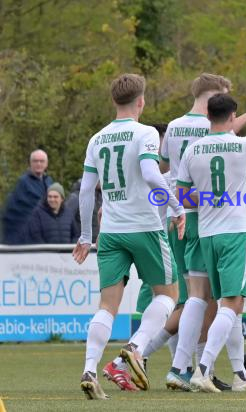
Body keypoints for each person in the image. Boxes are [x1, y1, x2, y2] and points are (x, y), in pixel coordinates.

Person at [73, 73, 186, 400]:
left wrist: (85, 236)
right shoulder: (146, 132)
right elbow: (152, 174)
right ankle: (134, 349)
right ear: (141, 101)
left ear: (113, 101)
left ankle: (90, 369)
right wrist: (177, 208)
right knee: (168, 294)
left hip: (110, 232)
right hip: (145, 228)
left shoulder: (97, 139)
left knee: (107, 306)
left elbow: (85, 191)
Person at [176, 94, 246, 393]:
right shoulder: (243, 145)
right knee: (232, 303)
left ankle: (240, 375)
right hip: (234, 232)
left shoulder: (193, 149)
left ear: (208, 115)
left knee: (229, 306)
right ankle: (202, 369)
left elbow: (181, 196)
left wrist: (209, 198)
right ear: (232, 117)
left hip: (207, 234)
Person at [160, 74, 241, 393]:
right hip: (207, 218)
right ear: (214, 99)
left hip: (176, 215)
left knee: (192, 296)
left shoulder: (173, 126)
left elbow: (166, 168)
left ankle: (184, 368)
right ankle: (189, 366)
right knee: (218, 299)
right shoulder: (215, 128)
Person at [3, 149, 53, 244]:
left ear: (46, 164)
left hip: (46, 233)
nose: (38, 164)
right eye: (35, 161)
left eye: (41, 161)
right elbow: (15, 212)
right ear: (30, 163)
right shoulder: (23, 183)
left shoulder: (49, 181)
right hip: (27, 237)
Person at [66, 179, 103, 243]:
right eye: (99, 179)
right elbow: (67, 220)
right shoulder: (75, 197)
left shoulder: (100, 196)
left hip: (97, 242)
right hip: (83, 243)